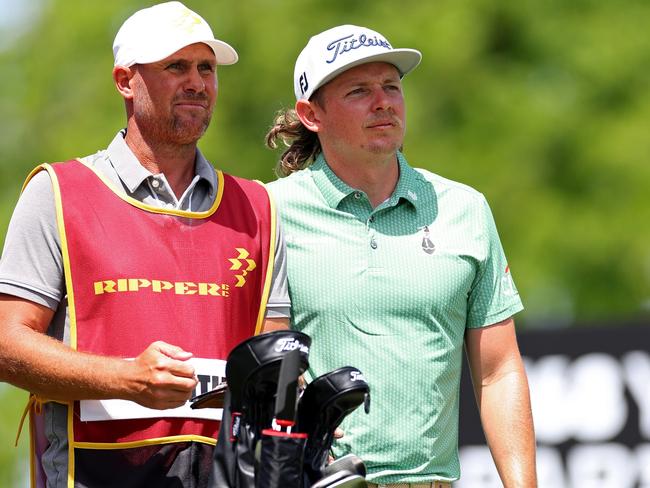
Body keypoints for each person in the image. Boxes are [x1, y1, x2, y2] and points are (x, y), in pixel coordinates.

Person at [0, 2, 289, 487]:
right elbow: (8, 343)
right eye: (176, 66)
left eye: (207, 68)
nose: (197, 82)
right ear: (125, 81)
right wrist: (127, 379)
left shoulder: (258, 206)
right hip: (90, 473)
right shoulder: (58, 191)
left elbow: (270, 358)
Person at [265, 24, 537, 487]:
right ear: (312, 114)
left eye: (392, 86)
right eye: (359, 91)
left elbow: (498, 372)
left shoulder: (463, 209)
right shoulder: (269, 213)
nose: (383, 101)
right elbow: (264, 365)